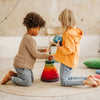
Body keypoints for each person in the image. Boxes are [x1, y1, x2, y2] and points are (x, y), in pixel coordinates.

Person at [1, 12, 53, 86]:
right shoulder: (29, 39)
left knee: (31, 79)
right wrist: (47, 56)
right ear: (32, 29)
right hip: (22, 66)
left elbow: (33, 50)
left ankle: (13, 74)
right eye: (38, 29)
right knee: (27, 82)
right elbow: (35, 54)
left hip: (25, 66)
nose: (38, 32)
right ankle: (10, 77)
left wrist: (42, 50)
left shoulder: (27, 37)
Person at [54, 8, 100, 87]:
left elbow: (69, 49)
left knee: (64, 82)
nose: (61, 23)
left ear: (65, 21)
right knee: (68, 78)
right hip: (71, 59)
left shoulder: (68, 33)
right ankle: (88, 78)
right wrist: (62, 43)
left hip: (67, 60)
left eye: (61, 21)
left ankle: (86, 82)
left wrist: (59, 47)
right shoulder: (74, 31)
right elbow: (71, 45)